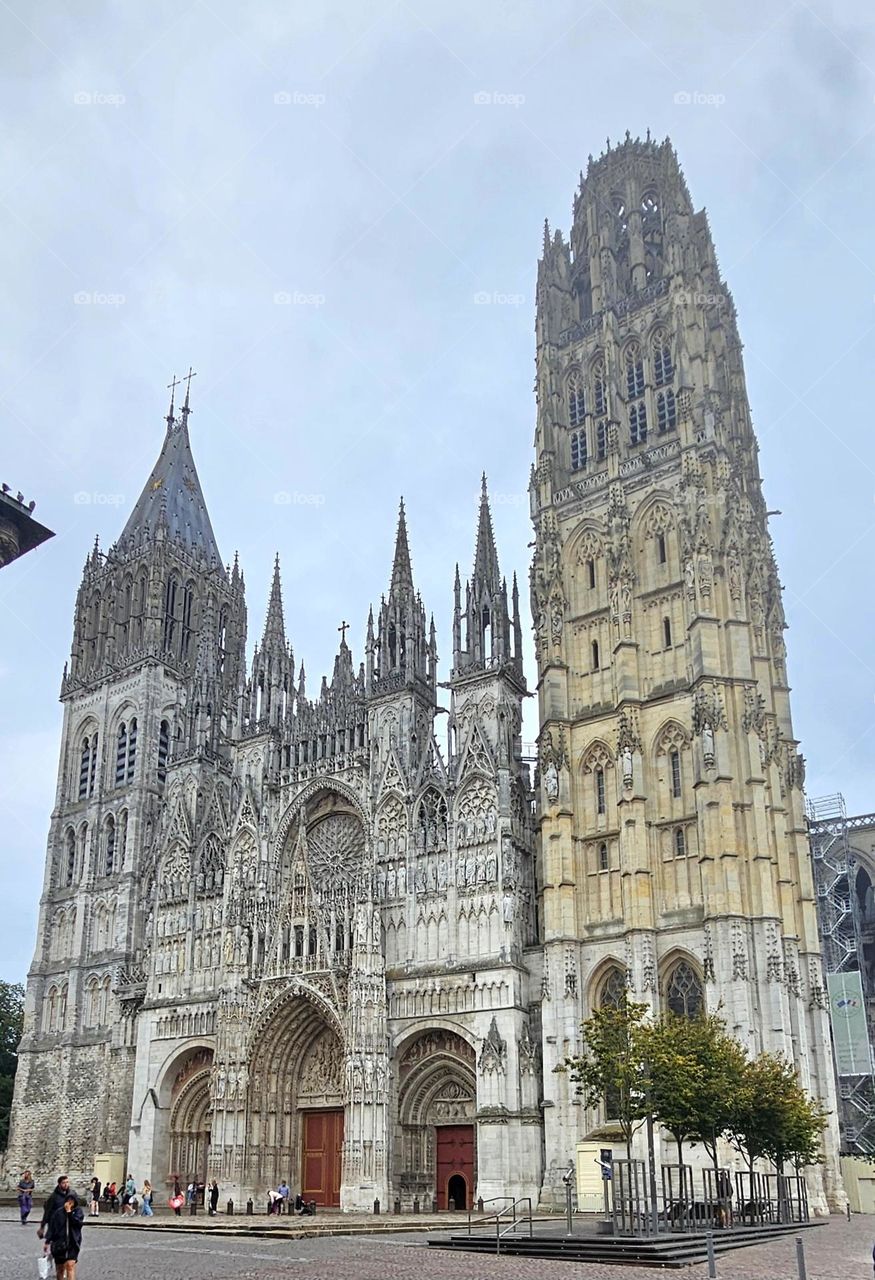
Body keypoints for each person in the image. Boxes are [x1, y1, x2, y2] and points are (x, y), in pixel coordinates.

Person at [45, 1192, 85, 1280]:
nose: (70, 1202)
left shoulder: (78, 1211)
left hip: (72, 1243)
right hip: (59, 1244)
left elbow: (77, 1223)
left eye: (72, 1200)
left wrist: (69, 1212)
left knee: (70, 1265)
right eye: (68, 1200)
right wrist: (47, 1241)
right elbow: (52, 1228)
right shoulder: (58, 1213)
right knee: (60, 1269)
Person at [37, 1176, 71, 1241]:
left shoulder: (70, 1194)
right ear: (59, 1184)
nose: (66, 1184)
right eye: (63, 1183)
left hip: (67, 1224)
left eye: (67, 1182)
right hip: (56, 1224)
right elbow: (47, 1212)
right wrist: (42, 1227)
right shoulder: (53, 1197)